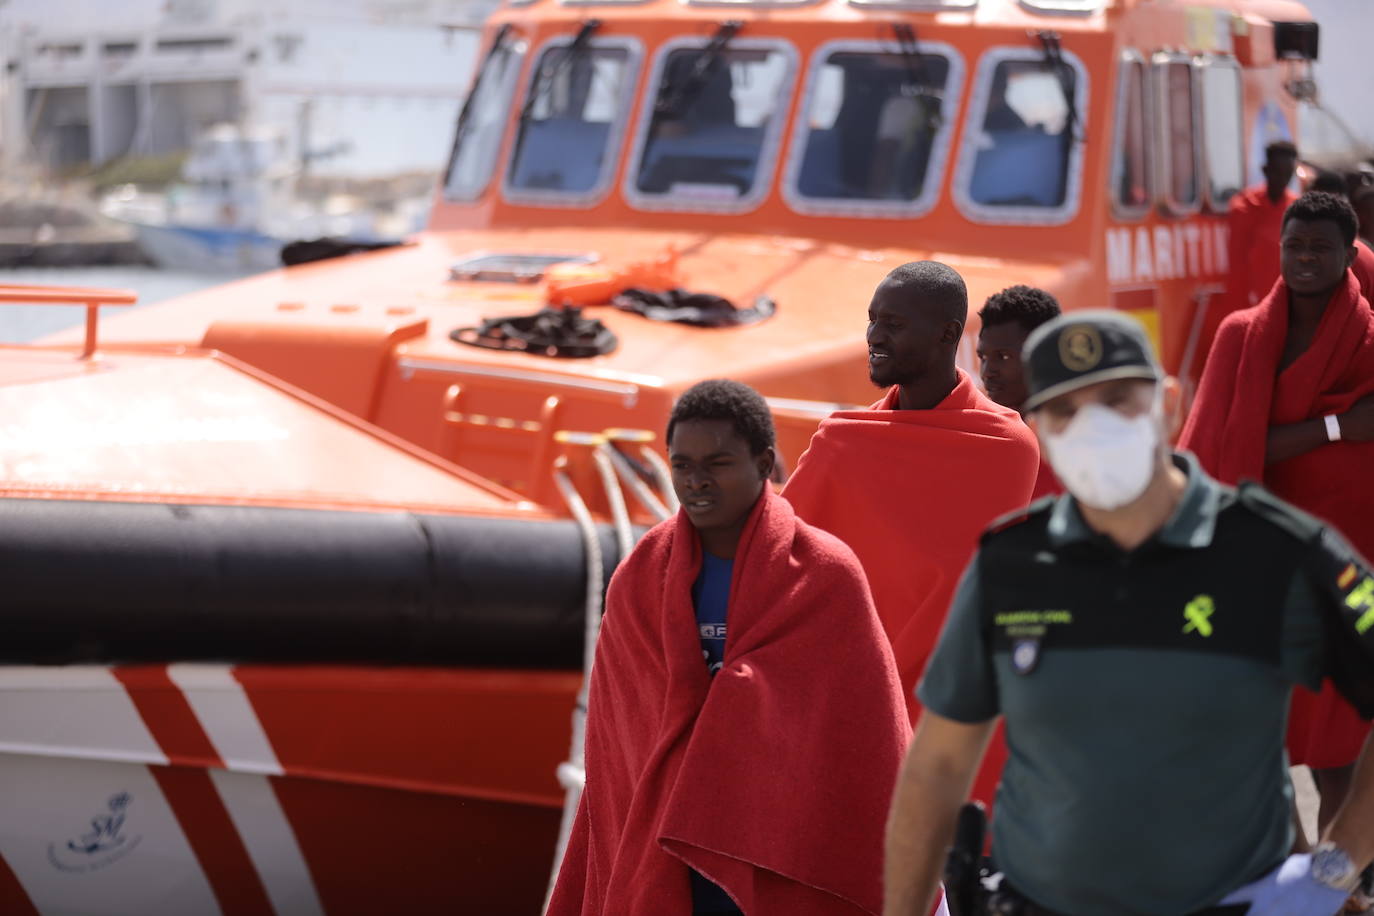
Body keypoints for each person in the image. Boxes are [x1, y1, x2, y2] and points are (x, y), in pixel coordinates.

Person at [884, 310, 1374, 916]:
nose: (1094, 428)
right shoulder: (1010, 565)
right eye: (1066, 410)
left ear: (1167, 404)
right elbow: (937, 765)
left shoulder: (1277, 552)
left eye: (1117, 400)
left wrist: (1333, 870)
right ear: (1039, 430)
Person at [548, 379, 910, 916]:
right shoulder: (640, 579)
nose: (696, 481)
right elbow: (619, 738)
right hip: (664, 847)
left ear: (763, 463)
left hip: (780, 848)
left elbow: (864, 737)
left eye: (717, 464)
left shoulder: (825, 575)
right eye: (682, 465)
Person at [782, 261, 1039, 811]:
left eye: (894, 324)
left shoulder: (1007, 446)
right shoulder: (842, 443)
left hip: (955, 719)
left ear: (948, 334)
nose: (874, 336)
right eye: (873, 320)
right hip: (850, 707)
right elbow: (777, 555)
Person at [1180, 190, 1374, 848]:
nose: (1305, 259)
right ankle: (1294, 876)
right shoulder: (1240, 335)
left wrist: (1302, 435)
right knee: (1262, 743)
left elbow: (1257, 439)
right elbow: (1221, 448)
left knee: (1342, 752)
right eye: (1294, 246)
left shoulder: (1369, 339)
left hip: (1352, 566)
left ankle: (1341, 885)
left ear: (1350, 253)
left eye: (1322, 248)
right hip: (1259, 566)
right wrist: (1337, 427)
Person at [975, 285, 1062, 498]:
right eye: (983, 358)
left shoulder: (1083, 443)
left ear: (1045, 356)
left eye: (1003, 356)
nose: (987, 372)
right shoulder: (978, 445)